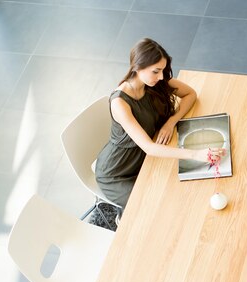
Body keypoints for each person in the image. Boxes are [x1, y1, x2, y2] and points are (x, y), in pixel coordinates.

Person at [95, 38, 226, 209]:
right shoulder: (120, 103)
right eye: (156, 71)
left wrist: (170, 122)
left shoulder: (155, 82)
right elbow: (149, 147)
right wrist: (196, 154)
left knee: (181, 192)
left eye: (163, 70)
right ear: (137, 67)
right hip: (117, 173)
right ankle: (122, 217)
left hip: (147, 158)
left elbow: (190, 94)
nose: (162, 76)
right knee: (151, 207)